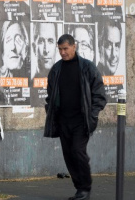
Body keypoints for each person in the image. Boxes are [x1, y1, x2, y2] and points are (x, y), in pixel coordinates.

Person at [44, 34, 106, 200]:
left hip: (82, 121)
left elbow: (99, 95)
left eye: (65, 49)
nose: (63, 52)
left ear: (74, 46)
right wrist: (50, 112)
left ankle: (85, 188)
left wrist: (92, 115)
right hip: (63, 121)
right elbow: (50, 96)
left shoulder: (87, 68)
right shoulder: (56, 70)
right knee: (69, 155)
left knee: (78, 151)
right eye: (60, 49)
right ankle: (80, 189)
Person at [0, 21, 30, 106]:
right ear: (2, 51)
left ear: (25, 49)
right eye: (8, 40)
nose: (13, 47)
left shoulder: (32, 83)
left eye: (18, 40)